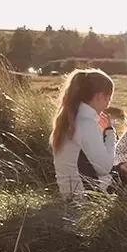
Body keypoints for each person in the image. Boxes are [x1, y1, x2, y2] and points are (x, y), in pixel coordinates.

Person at [50, 69, 117, 197]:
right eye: (108, 100)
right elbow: (105, 167)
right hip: (84, 199)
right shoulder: (86, 123)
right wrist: (109, 133)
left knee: (121, 169)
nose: (106, 106)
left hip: (69, 194)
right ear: (100, 96)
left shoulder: (67, 120)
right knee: (126, 176)